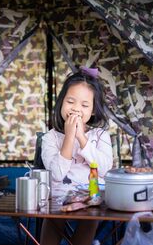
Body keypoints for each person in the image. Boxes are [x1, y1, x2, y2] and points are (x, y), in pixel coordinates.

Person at [40, 67, 113, 245]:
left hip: (93, 197)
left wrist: (81, 138)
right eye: (70, 101)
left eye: (84, 105)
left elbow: (104, 169)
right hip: (58, 197)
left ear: (94, 110)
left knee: (91, 217)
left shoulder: (101, 136)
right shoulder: (50, 137)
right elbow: (56, 174)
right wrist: (69, 137)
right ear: (61, 103)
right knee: (52, 216)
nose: (76, 109)